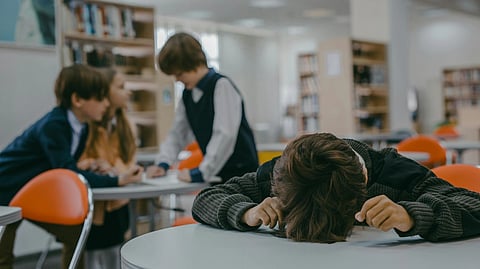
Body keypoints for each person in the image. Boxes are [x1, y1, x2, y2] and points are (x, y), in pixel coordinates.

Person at [192, 132, 480, 243]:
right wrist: (246, 212)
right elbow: (206, 199)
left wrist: (413, 216)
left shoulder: (394, 172)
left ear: (364, 183)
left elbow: (475, 206)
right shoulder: (284, 173)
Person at [0, 64, 143, 269]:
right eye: (100, 98)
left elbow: (65, 168)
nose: (105, 104)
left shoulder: (81, 127)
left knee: (75, 233)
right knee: (3, 256)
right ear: (77, 100)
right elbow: (69, 172)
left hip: (27, 194)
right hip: (5, 191)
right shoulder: (54, 125)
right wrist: (117, 180)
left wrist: (90, 165)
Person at [146, 32, 258, 183]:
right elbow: (177, 134)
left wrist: (202, 172)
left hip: (241, 173)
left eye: (179, 74)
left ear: (194, 64)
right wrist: (163, 162)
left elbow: (224, 135)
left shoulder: (221, 85)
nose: (177, 79)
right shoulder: (188, 94)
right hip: (216, 173)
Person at [76, 68, 135, 269]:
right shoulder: (88, 126)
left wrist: (115, 168)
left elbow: (128, 161)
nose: (127, 92)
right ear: (105, 92)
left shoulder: (123, 125)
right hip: (94, 204)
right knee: (91, 258)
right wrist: (95, 164)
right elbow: (78, 160)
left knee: (116, 256)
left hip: (117, 204)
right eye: (120, 87)